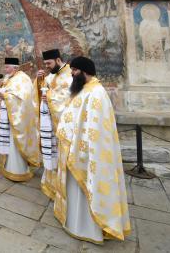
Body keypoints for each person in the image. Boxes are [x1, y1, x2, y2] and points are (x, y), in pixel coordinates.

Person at [53, 57, 130, 243]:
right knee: (75, 190)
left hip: (86, 154)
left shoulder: (96, 93)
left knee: (88, 187)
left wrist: (80, 147)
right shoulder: (83, 89)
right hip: (74, 149)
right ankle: (74, 222)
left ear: (85, 71)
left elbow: (94, 130)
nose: (71, 73)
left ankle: (89, 228)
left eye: (75, 70)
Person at [0, 57, 40, 182]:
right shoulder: (8, 78)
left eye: (7, 67)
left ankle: (18, 170)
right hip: (9, 116)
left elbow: (24, 97)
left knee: (15, 142)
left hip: (17, 118)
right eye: (5, 67)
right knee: (9, 141)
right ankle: (8, 167)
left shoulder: (23, 78)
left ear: (16, 67)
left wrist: (5, 96)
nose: (5, 69)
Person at [35, 49, 72, 200]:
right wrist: (39, 81)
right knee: (51, 151)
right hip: (50, 123)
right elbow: (45, 89)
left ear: (58, 60)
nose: (47, 66)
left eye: (49, 63)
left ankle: (62, 187)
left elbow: (67, 99)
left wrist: (48, 96)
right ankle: (50, 182)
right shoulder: (52, 75)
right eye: (45, 64)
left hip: (63, 124)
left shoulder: (70, 76)